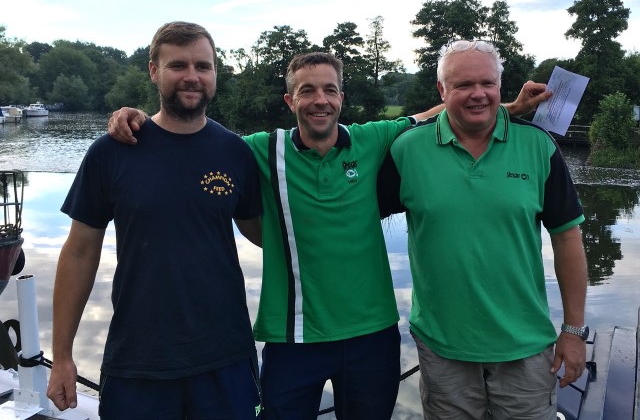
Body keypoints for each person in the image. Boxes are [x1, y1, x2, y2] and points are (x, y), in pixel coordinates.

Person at [108, 52, 550, 419]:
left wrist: (509, 108)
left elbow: (442, 114)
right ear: (289, 99)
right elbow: (193, 139)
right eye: (307, 91)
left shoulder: (374, 140)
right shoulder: (259, 150)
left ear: (342, 97)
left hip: (372, 336)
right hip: (292, 340)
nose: (320, 100)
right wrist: (141, 121)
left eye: (329, 90)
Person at [46, 21, 263, 419]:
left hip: (225, 357)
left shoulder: (235, 152)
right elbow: (78, 253)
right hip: (138, 360)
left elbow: (265, 234)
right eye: (178, 65)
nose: (192, 76)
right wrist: (62, 356)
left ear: (216, 73)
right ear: (153, 71)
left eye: (203, 66)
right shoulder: (112, 152)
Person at [378, 40, 588, 419]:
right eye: (462, 85)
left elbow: (568, 239)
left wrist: (573, 331)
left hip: (525, 346)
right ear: (442, 91)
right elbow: (352, 222)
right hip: (443, 350)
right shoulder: (406, 150)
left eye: (487, 83)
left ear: (500, 86)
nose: (478, 94)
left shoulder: (539, 146)